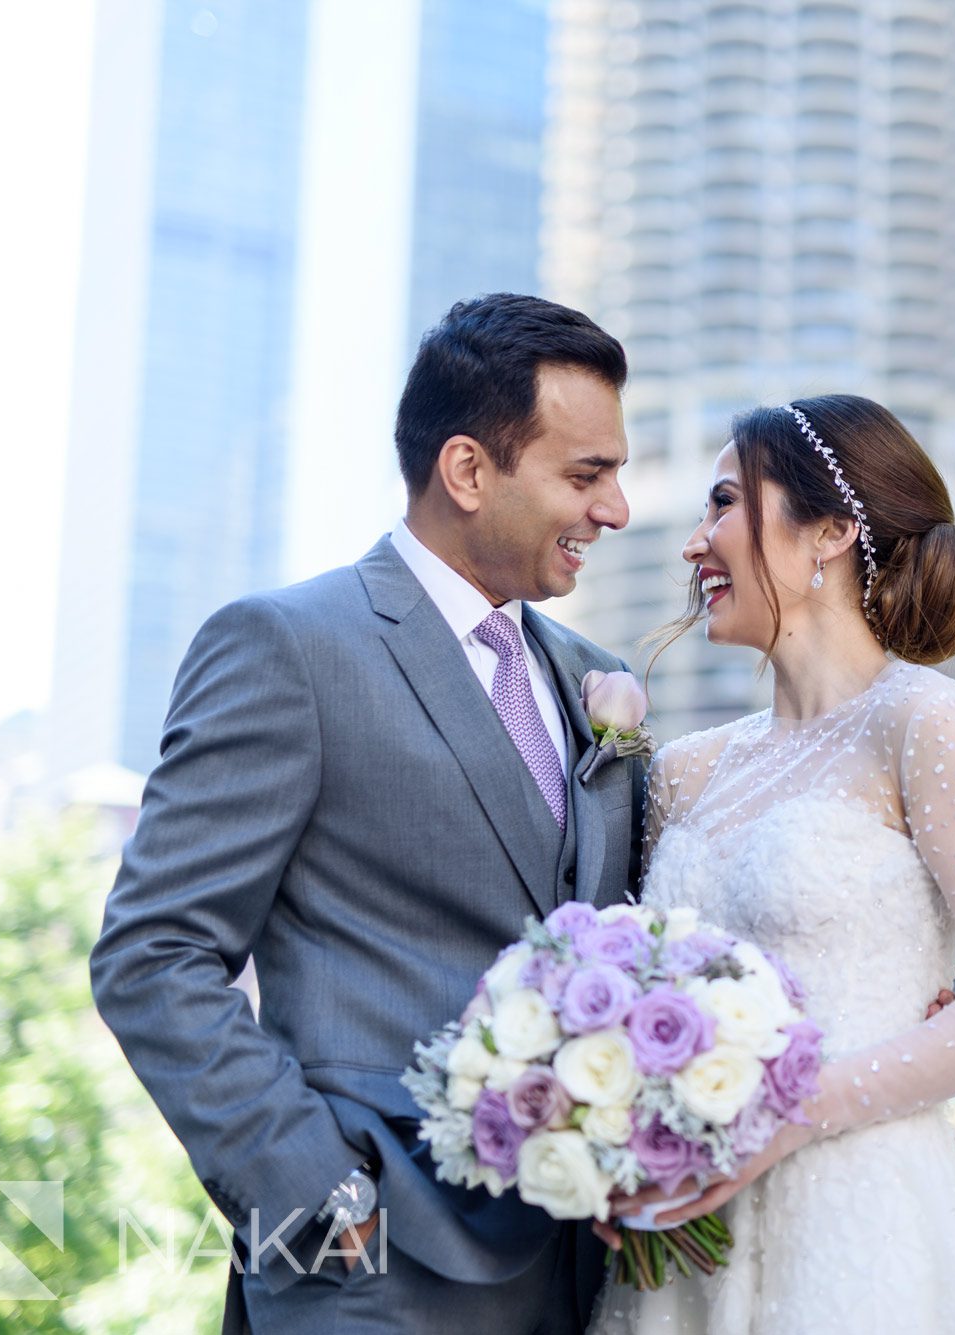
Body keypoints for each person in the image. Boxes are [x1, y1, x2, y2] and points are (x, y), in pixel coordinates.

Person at [90, 293, 643, 1333]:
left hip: (582, 1280)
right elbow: (154, 954)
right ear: (469, 471)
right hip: (366, 1277)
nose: (615, 510)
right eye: (586, 475)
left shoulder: (596, 681)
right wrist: (315, 1203)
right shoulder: (287, 647)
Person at [588, 394, 955, 1334]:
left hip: (858, 1220)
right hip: (684, 1242)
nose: (697, 542)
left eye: (726, 503)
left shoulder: (925, 723)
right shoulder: (684, 771)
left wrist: (789, 1112)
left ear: (830, 531)